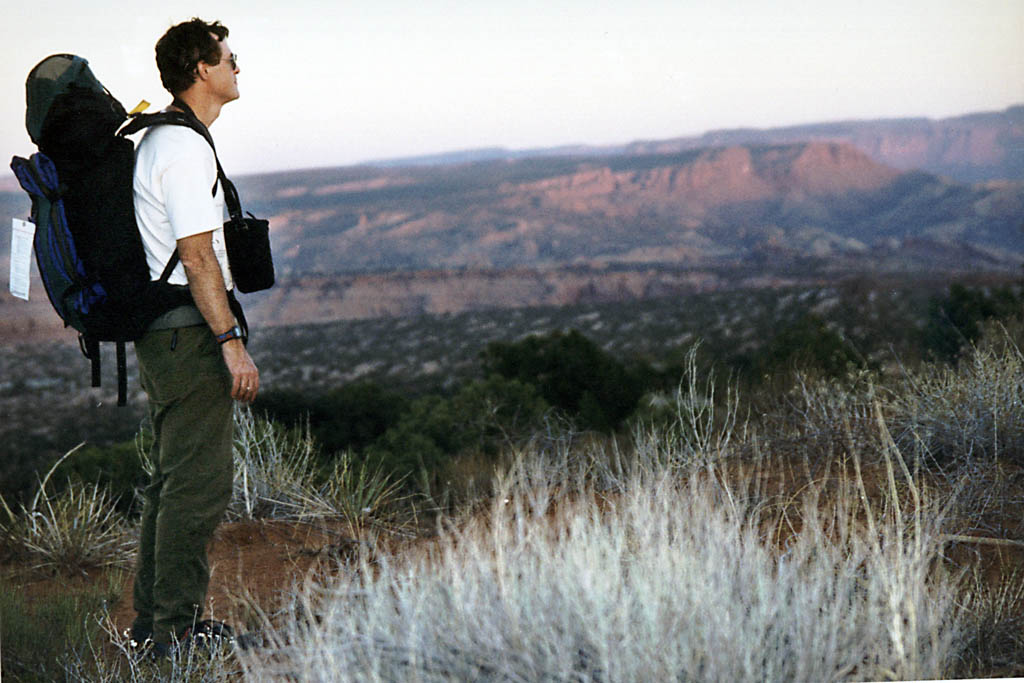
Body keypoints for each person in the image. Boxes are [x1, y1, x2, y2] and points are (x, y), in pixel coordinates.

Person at [129, 17, 258, 656]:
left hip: (170, 335)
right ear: (203, 70)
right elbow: (199, 257)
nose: (239, 68)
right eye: (230, 58)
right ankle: (175, 635)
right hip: (188, 337)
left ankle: (155, 623)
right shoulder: (181, 148)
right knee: (196, 487)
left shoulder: (168, 139)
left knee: (172, 480)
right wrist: (230, 341)